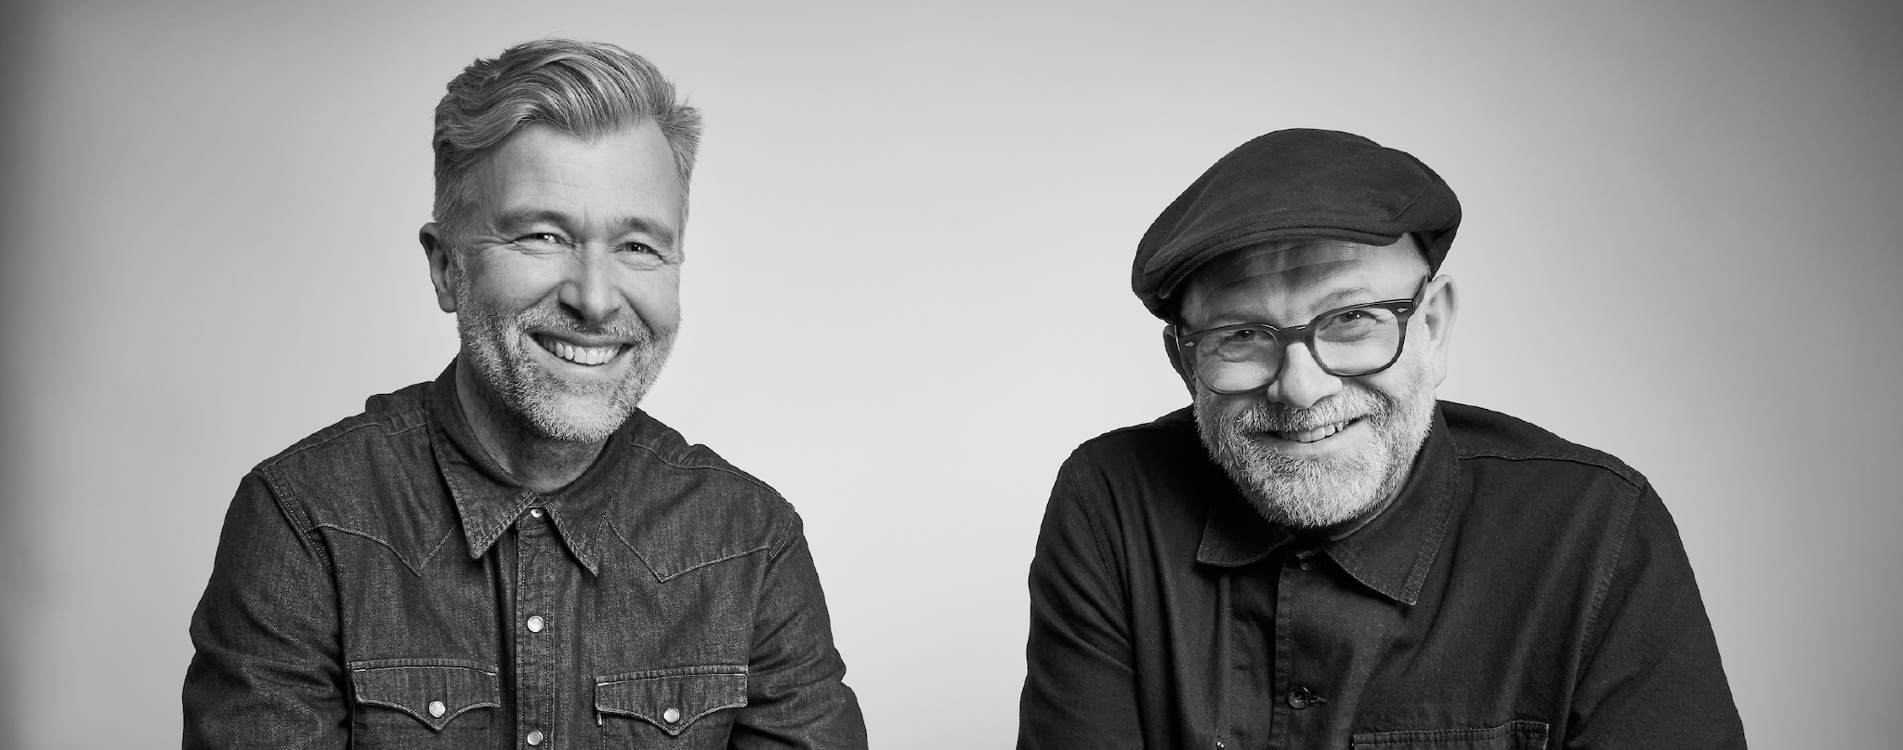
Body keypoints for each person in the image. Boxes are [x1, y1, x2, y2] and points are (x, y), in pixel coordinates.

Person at [182, 39, 867, 749]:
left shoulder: (751, 541)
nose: (596, 301)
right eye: (543, 235)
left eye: (638, 246)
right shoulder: (306, 522)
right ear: (448, 267)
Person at [1017, 129, 1745, 749]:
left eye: (1351, 320)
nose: (1300, 389)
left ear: (1431, 328)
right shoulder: (1110, 503)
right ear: (1186, 365)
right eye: (1242, 335)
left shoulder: (1594, 534)